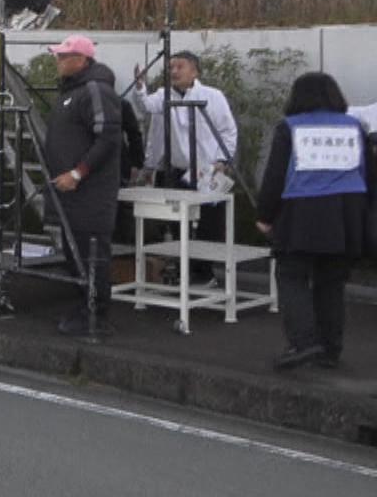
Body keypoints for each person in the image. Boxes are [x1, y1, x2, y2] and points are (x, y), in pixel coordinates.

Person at [255, 72, 370, 370]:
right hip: (347, 213)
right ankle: (331, 349)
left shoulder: (290, 127)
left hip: (303, 211)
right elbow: (368, 175)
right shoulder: (356, 127)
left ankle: (303, 342)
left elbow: (275, 176)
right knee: (332, 282)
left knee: (292, 275)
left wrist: (265, 216)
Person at [129, 51, 239, 283]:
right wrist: (140, 86)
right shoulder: (163, 96)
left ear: (195, 71)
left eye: (180, 67)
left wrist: (223, 159)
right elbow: (146, 106)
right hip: (175, 169)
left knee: (209, 222)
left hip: (207, 169)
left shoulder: (212, 96)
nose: (174, 72)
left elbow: (228, 130)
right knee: (179, 223)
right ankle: (183, 269)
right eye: (171, 68)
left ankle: (204, 272)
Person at [43, 37, 125, 336]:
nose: (59, 61)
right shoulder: (72, 91)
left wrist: (77, 174)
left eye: (65, 56)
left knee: (92, 254)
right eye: (59, 55)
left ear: (82, 59)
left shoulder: (95, 90)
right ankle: (84, 308)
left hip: (91, 194)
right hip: (69, 194)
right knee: (73, 252)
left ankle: (97, 316)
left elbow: (108, 138)